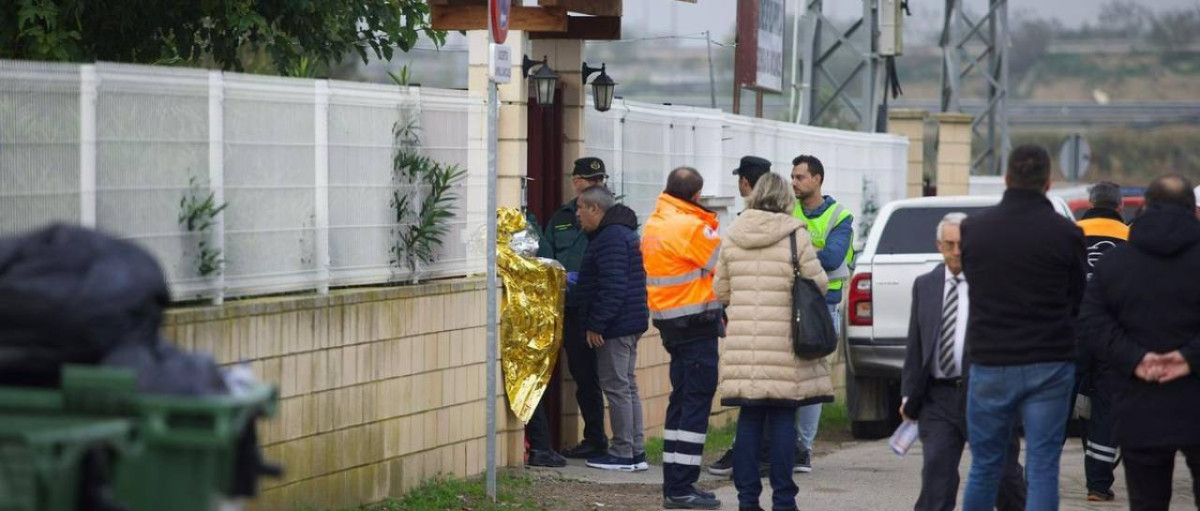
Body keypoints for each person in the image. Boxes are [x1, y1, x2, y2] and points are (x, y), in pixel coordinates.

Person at [960, 145, 1087, 511]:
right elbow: (1077, 299)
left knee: (985, 466)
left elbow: (976, 285)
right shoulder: (1066, 234)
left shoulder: (975, 230)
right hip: (1050, 361)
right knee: (1043, 467)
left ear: (1006, 179)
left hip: (990, 360)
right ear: (1048, 182)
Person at [1079, 174, 1200, 511]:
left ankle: (1098, 482)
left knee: (1147, 500)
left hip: (1138, 401)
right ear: (1192, 211)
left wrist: (1137, 359)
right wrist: (1187, 358)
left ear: (1144, 206)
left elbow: (1092, 320)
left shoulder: (1116, 262)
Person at [715, 173, 831, 511]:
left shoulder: (733, 235)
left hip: (744, 347)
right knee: (782, 420)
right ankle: (784, 501)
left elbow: (720, 291)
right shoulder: (795, 236)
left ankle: (747, 501)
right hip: (784, 345)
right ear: (784, 199)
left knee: (749, 420)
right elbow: (819, 284)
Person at [901, 213, 1027, 511]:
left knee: (1003, 477)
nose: (957, 251)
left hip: (987, 395)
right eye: (950, 244)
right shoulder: (925, 285)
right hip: (938, 397)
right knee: (937, 474)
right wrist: (909, 394)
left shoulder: (995, 285)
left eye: (963, 244)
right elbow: (916, 345)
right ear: (938, 245)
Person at [642, 167, 723, 510]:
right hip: (696, 324)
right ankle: (682, 489)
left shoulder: (655, 222)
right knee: (694, 404)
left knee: (680, 402)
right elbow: (724, 262)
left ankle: (676, 483)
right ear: (695, 195)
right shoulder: (690, 226)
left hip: (670, 324)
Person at [571, 186, 651, 472]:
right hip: (627, 321)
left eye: (581, 208)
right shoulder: (619, 233)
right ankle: (635, 450)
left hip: (616, 326)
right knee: (626, 386)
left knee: (617, 387)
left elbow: (612, 287)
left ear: (595, 209)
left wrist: (596, 324)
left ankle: (622, 452)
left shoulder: (610, 237)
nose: (577, 214)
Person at [536, 157, 611, 461]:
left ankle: (601, 440)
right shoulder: (563, 217)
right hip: (562, 305)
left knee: (598, 378)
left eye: (600, 181)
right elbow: (547, 252)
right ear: (576, 182)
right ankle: (584, 439)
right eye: (589, 181)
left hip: (595, 308)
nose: (596, 186)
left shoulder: (613, 215)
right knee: (574, 374)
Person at [709, 154, 779, 477]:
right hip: (780, 327)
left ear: (745, 182)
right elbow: (815, 279)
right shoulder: (792, 225)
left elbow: (720, 287)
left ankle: (745, 460)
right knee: (777, 403)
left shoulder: (740, 228)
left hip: (746, 323)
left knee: (750, 402)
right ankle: (775, 466)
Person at [789, 154, 854, 473]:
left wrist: (794, 251)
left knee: (813, 379)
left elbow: (831, 258)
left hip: (823, 305)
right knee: (786, 377)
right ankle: (784, 444)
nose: (795, 182)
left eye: (800, 177)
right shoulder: (789, 208)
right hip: (790, 302)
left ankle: (803, 448)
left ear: (817, 179)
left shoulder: (840, 215)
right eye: (793, 177)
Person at [1073, 181, 1129, 502]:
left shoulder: (1071, 233)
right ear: (1120, 207)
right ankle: (1097, 486)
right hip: (1113, 336)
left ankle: (1039, 472)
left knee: (1057, 401)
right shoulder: (1133, 239)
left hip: (1073, 333)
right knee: (1107, 409)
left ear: (1088, 203)